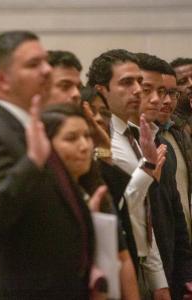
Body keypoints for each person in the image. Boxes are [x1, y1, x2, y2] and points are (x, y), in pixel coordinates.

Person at [0, 30, 96, 299]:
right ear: (1, 79)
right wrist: (32, 162)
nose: (47, 70)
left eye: (46, 61)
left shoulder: (31, 126)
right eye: (34, 64)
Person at [88, 49, 170, 299]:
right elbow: (119, 204)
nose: (137, 90)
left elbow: (142, 213)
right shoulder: (99, 138)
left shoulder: (136, 136)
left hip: (141, 262)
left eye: (138, 82)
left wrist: (159, 279)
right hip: (112, 264)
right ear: (101, 89)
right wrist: (147, 168)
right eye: (127, 82)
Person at [130, 52, 192, 299]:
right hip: (137, 271)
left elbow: (176, 214)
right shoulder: (113, 143)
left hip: (168, 267)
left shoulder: (167, 140)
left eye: (170, 93)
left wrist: (186, 274)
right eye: (149, 90)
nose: (162, 100)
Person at [157, 62, 192, 241]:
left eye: (172, 93)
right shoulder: (138, 137)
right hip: (162, 243)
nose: (167, 100)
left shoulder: (178, 133)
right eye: (161, 92)